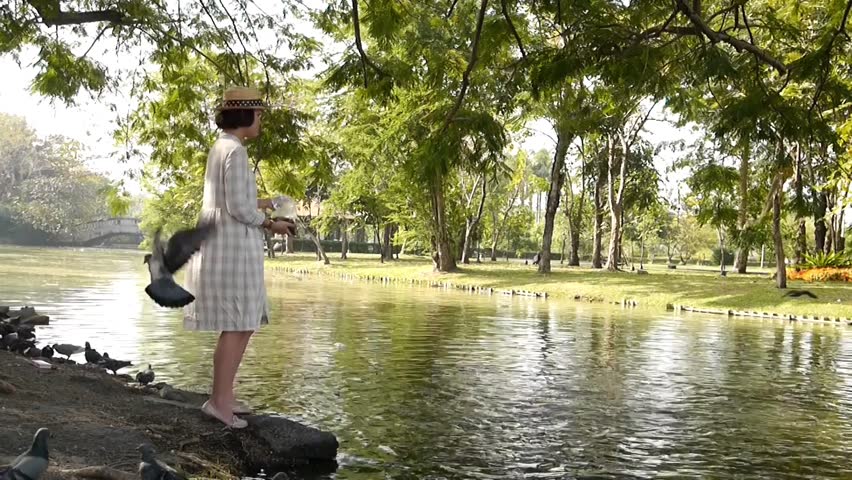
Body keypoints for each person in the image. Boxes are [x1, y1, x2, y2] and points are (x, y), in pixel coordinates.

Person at [183, 86, 294, 428]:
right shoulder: (236, 152)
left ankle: (224, 397)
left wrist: (264, 203)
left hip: (222, 244)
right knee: (238, 324)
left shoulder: (223, 148)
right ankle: (219, 402)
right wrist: (272, 223)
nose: (261, 120)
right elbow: (239, 208)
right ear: (244, 114)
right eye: (258, 114)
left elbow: (229, 199)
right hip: (231, 247)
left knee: (239, 324)